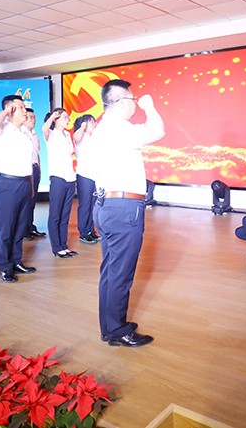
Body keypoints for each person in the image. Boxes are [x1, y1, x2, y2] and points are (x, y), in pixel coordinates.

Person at [90, 79, 164, 347]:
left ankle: (109, 327)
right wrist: (149, 106)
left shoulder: (101, 128)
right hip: (123, 209)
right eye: (132, 99)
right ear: (121, 102)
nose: (135, 103)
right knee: (121, 273)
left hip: (106, 205)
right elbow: (158, 130)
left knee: (111, 270)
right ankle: (117, 330)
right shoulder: (119, 128)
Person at [0, 95, 37, 283]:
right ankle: (4, 266)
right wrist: (6, 111)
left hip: (24, 183)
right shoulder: (1, 129)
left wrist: (31, 185)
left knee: (20, 226)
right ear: (10, 110)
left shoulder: (25, 132)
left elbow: (28, 162)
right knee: (5, 227)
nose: (25, 111)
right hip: (6, 183)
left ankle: (16, 260)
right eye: (21, 107)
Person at [42, 108, 77, 258]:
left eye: (68, 117)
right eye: (64, 117)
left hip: (70, 178)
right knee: (55, 214)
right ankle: (56, 247)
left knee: (65, 215)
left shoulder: (67, 135)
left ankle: (64, 245)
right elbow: (44, 129)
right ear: (55, 119)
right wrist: (53, 116)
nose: (68, 119)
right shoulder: (50, 134)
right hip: (58, 177)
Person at [73, 114, 100, 245]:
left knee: (93, 205)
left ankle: (90, 230)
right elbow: (76, 137)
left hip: (94, 176)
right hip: (84, 176)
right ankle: (83, 232)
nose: (94, 124)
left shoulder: (94, 138)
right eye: (91, 122)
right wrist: (83, 126)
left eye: (94, 122)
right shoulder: (80, 137)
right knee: (85, 205)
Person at [23, 107, 45, 239]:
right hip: (25, 170)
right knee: (25, 201)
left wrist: (39, 170)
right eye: (30, 117)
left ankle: (30, 226)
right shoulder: (21, 133)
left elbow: (37, 154)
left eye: (34, 117)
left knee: (32, 200)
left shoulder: (35, 135)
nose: (33, 120)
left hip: (35, 169)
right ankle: (24, 230)